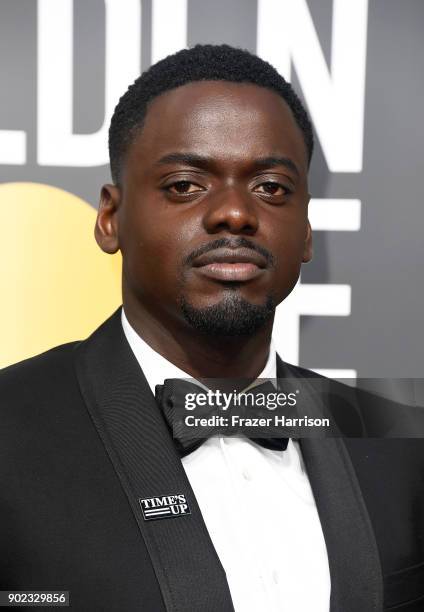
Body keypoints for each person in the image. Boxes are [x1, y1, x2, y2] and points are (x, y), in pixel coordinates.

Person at [0, 45, 423, 612]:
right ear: (109, 218)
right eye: (185, 185)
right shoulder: (11, 426)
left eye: (271, 187)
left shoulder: (396, 444)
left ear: (306, 232)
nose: (235, 213)